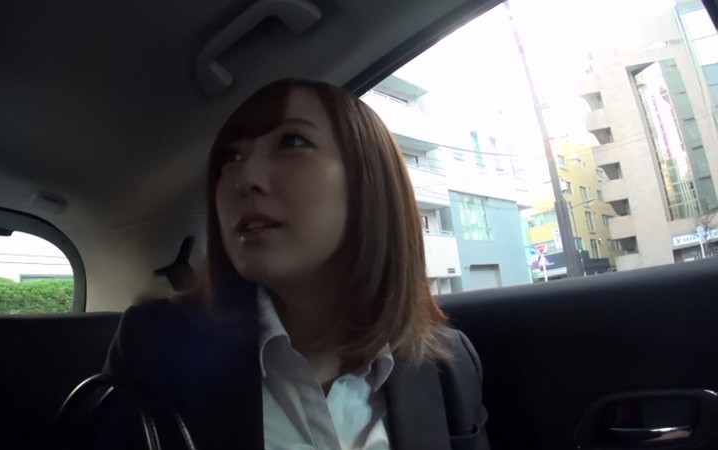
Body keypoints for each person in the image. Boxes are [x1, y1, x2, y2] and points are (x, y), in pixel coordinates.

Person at [101, 79, 489, 450]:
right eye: (231, 157)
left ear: (369, 181)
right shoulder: (155, 346)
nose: (244, 178)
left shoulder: (448, 364)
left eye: (291, 141)